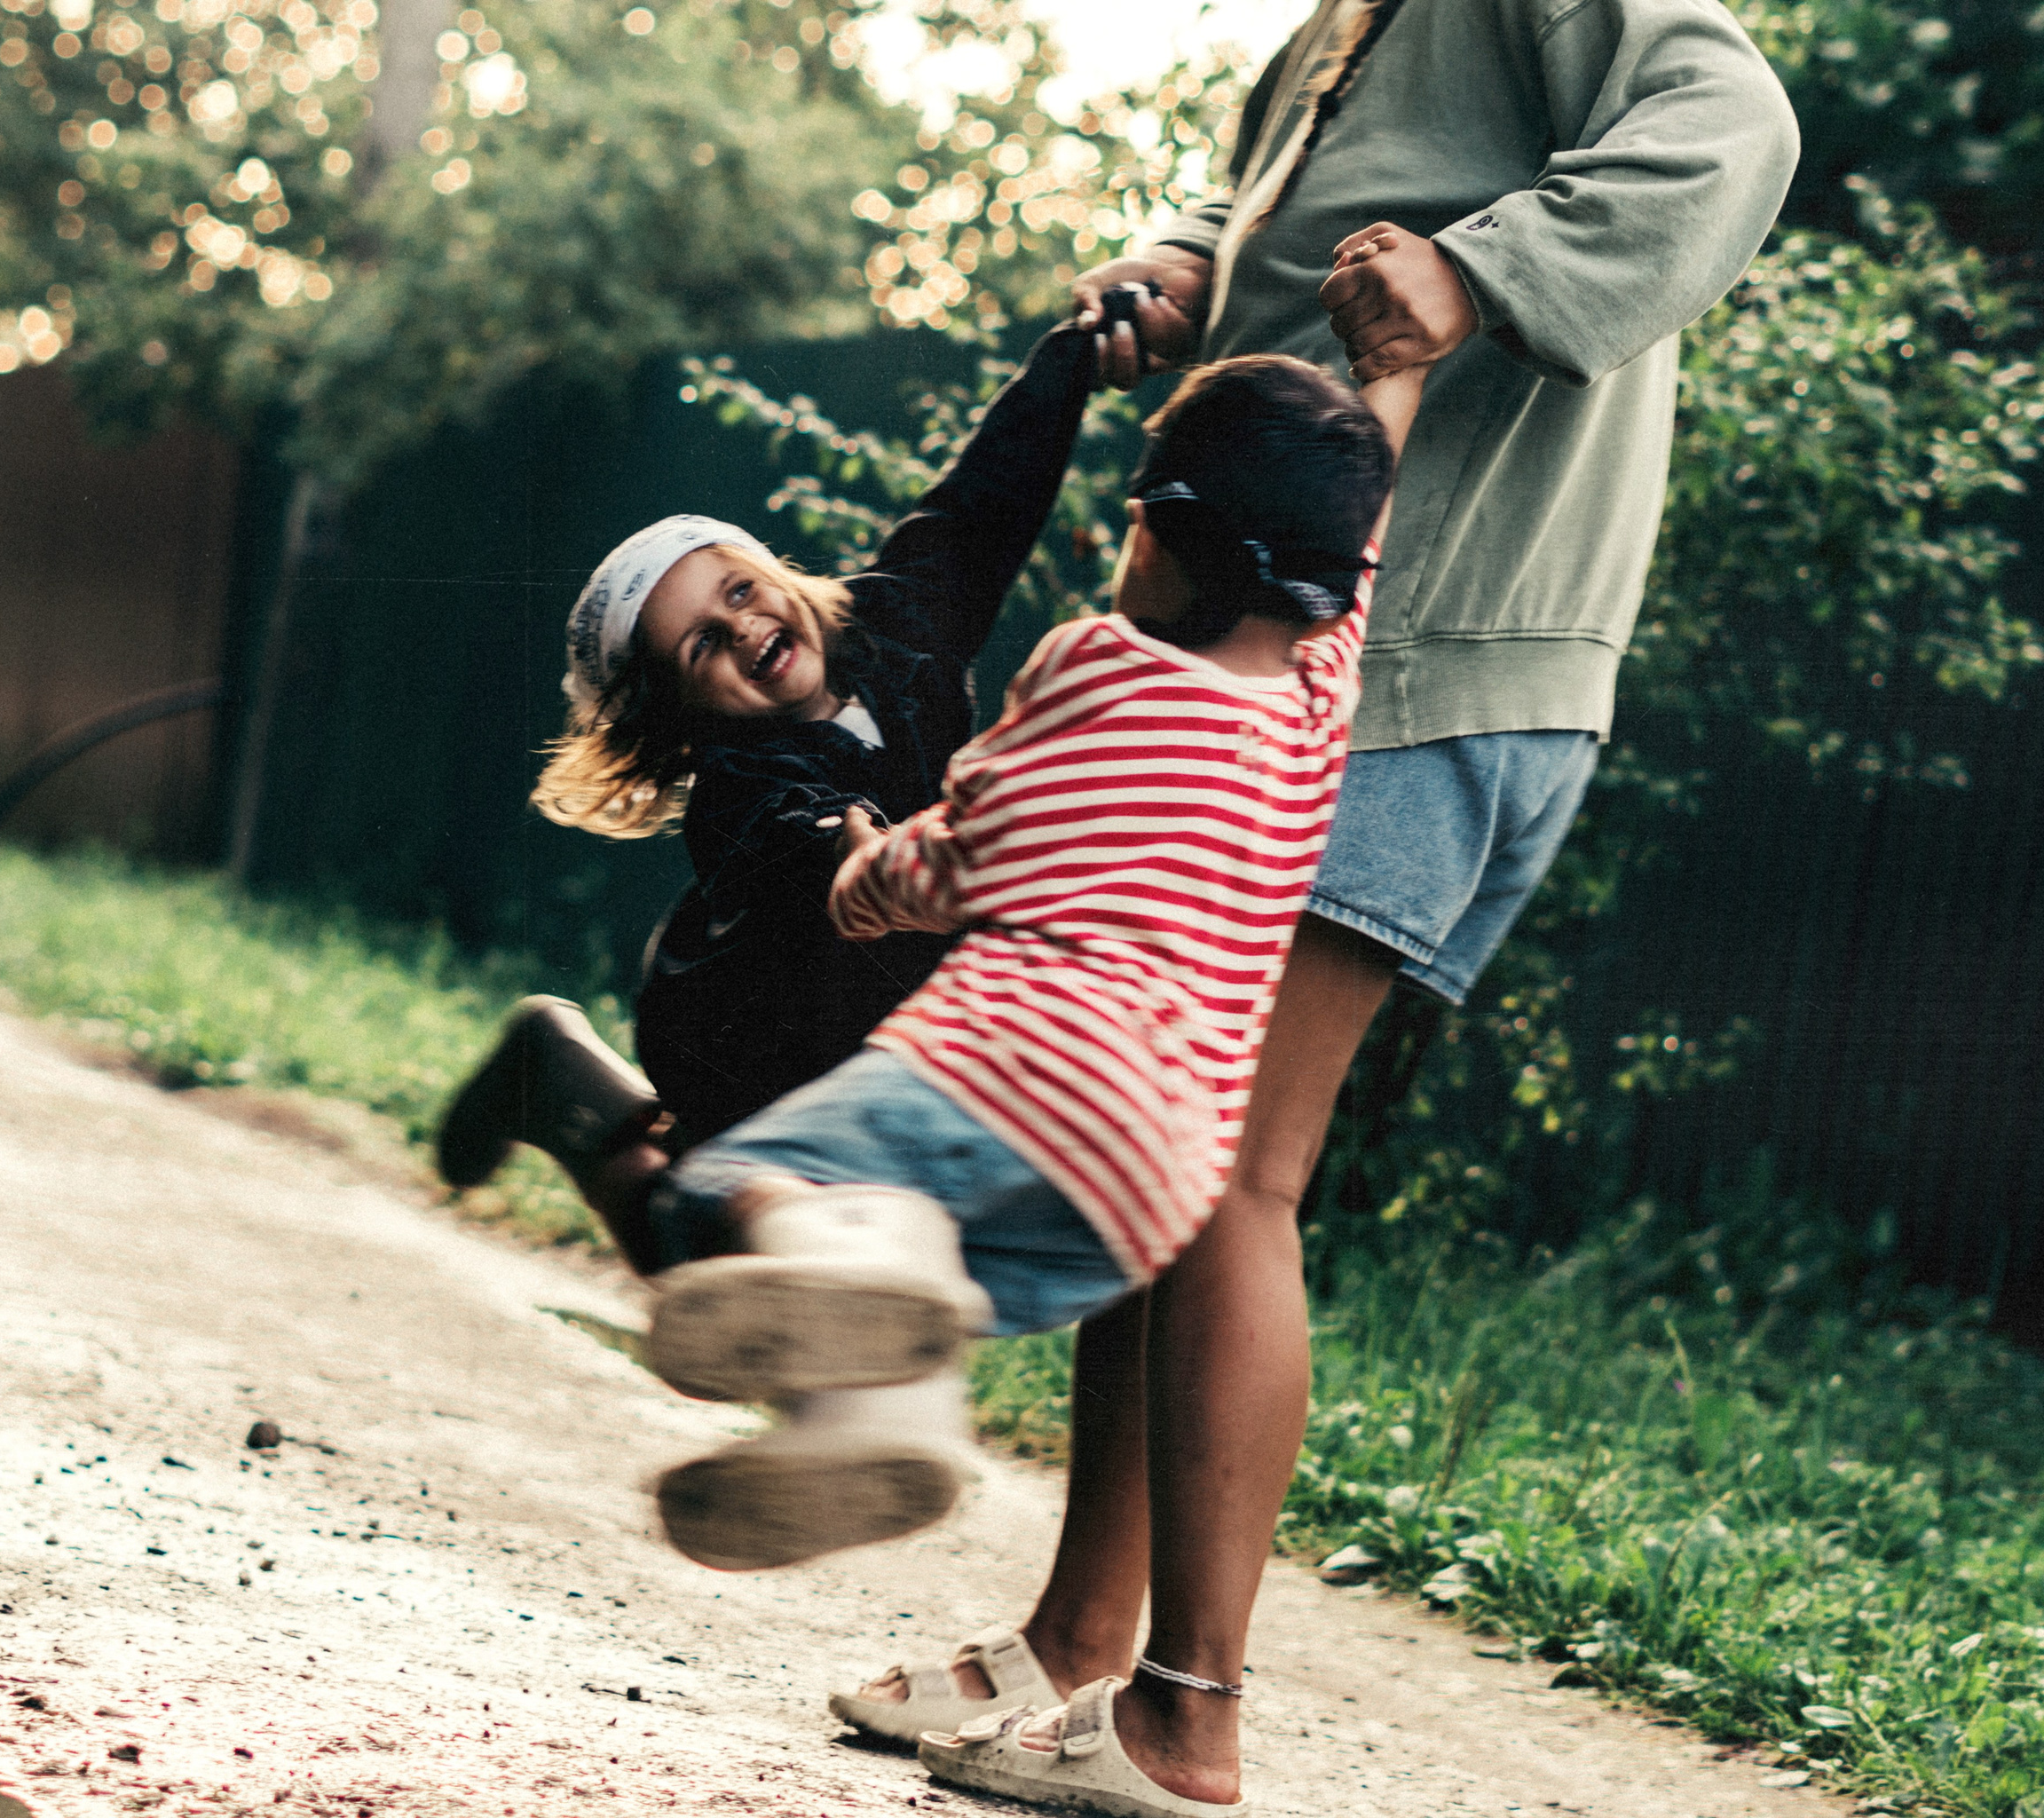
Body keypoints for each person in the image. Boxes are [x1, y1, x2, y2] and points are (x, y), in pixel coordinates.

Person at [837, 1, 1799, 1808]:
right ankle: (1078, 1651)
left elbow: (1731, 117)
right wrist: (1184, 269)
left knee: (1225, 1177)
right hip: (1330, 678)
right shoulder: (1333, 32)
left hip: (1419, 667)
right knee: (1158, 1143)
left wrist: (1480, 272)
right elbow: (1285, 224)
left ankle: (1185, 1713)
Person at [643, 354, 1415, 1818]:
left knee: (731, 1189)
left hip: (1016, 1071)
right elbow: (1353, 555)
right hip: (1152, 1186)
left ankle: (896, 1416)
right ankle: (867, 1395)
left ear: (1167, 540)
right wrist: (1395, 390)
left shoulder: (1091, 671)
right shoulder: (1318, 712)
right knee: (906, 1264)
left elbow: (953, 854)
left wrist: (869, 883)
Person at [431, 317, 1106, 1268]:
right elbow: (809, 836)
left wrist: (1076, 355)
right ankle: (560, 1081)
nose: (742, 627)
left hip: (884, 1009)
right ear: (678, 713)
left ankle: (568, 1084)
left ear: (776, 570)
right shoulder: (741, 786)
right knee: (712, 1258)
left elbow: (983, 503)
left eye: (740, 590)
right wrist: (861, 848)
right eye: (701, 642)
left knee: (853, 1255)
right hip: (749, 1035)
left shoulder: (894, 625)